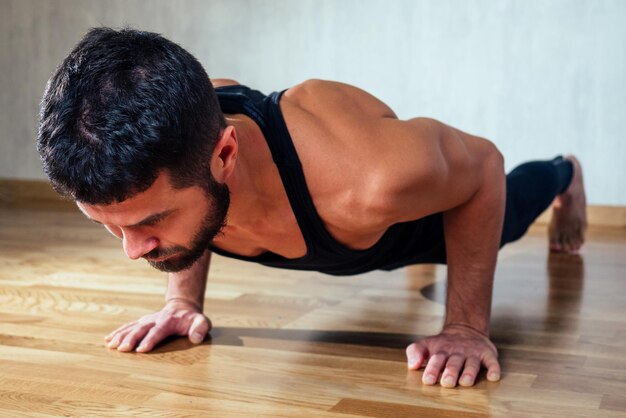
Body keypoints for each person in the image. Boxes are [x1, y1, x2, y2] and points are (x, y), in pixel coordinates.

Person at [37, 27, 587, 389]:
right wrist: (181, 299)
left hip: (417, 221)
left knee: (509, 216)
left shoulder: (375, 180)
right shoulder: (183, 130)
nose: (132, 251)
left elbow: (486, 165)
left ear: (225, 154)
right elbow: (180, 204)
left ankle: (565, 171)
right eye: (108, 227)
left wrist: (466, 326)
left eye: (150, 222)